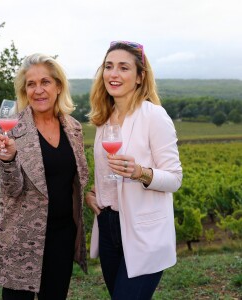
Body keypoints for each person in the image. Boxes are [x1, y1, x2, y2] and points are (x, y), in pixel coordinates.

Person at [0, 53, 89, 300]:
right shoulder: (11, 128)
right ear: (24, 90)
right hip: (22, 238)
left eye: (45, 82)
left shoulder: (73, 128)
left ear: (58, 86)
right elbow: (12, 189)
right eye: (31, 84)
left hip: (62, 235)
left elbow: (76, 181)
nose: (38, 90)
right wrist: (8, 160)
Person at [85, 41, 183, 299]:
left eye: (123, 68)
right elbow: (107, 176)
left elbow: (174, 179)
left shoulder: (154, 116)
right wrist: (95, 194)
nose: (113, 74)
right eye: (108, 66)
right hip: (108, 225)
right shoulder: (103, 119)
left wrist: (141, 172)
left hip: (144, 231)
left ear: (140, 77)